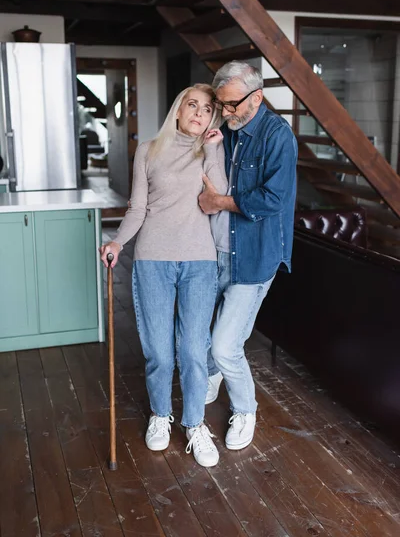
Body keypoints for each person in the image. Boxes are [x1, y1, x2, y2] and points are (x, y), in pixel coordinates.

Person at [100, 84, 227, 468]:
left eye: (207, 109)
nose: (200, 113)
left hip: (199, 263)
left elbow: (218, 197)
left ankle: (194, 423)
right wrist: (118, 242)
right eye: (193, 105)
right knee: (158, 350)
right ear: (178, 110)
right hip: (152, 259)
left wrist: (216, 148)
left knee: (192, 349)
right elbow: (137, 208)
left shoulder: (209, 151)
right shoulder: (149, 151)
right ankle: (160, 415)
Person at [199, 61, 298, 450]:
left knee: (226, 344)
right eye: (220, 105)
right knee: (204, 330)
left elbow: (273, 199)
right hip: (216, 250)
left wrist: (218, 201)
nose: (225, 113)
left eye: (230, 105)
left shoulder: (278, 136)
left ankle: (245, 409)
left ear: (256, 97)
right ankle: (212, 372)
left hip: (254, 259)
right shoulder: (226, 130)